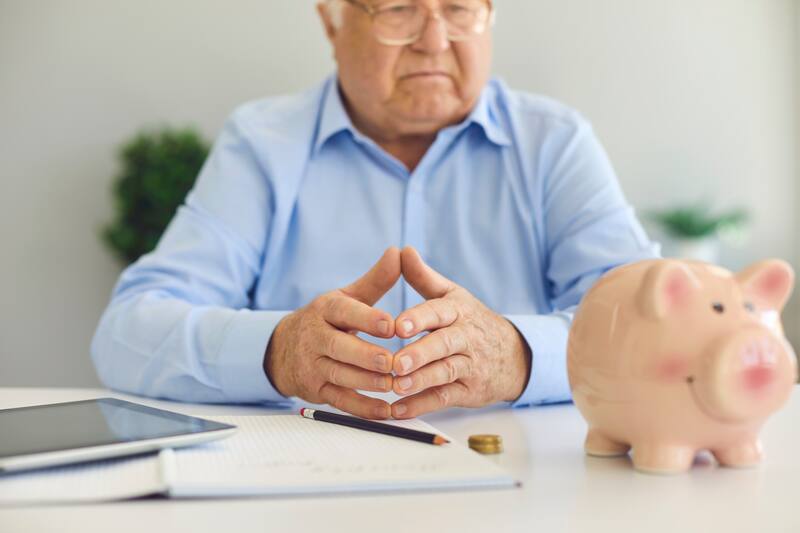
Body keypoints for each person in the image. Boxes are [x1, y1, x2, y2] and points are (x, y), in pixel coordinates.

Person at [91, 0, 658, 420]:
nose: (435, 41)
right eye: (399, 10)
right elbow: (126, 332)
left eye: (460, 8)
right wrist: (277, 352)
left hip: (522, 486)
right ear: (331, 22)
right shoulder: (262, 143)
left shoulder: (552, 142)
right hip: (303, 484)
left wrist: (516, 354)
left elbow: (652, 326)